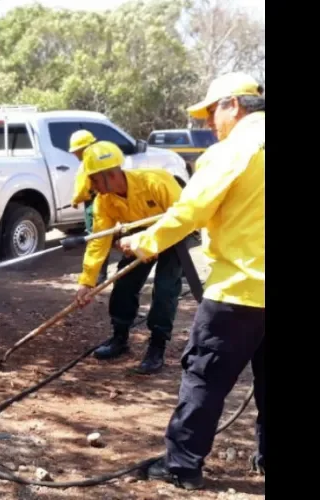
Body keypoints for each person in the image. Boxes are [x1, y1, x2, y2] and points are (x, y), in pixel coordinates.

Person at [119, 72, 265, 490]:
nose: (208, 124)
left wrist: (144, 243)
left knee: (204, 378)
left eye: (210, 113)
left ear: (232, 105)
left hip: (238, 292)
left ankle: (181, 466)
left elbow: (189, 213)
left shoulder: (233, 150)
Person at [74, 140, 185, 374]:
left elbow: (183, 218)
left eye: (94, 179)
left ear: (111, 174)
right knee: (124, 284)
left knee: (165, 289)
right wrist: (87, 282)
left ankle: (157, 346)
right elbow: (98, 241)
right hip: (138, 234)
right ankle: (119, 337)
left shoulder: (157, 181)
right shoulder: (103, 201)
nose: (91, 185)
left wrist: (151, 244)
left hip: (175, 233)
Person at [68, 129, 109, 285]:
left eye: (75, 151)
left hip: (94, 204)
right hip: (104, 200)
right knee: (103, 236)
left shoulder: (88, 163)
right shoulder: (103, 158)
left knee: (96, 238)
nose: (74, 154)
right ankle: (101, 273)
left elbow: (83, 187)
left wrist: (75, 200)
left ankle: (98, 275)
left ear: (83, 148)